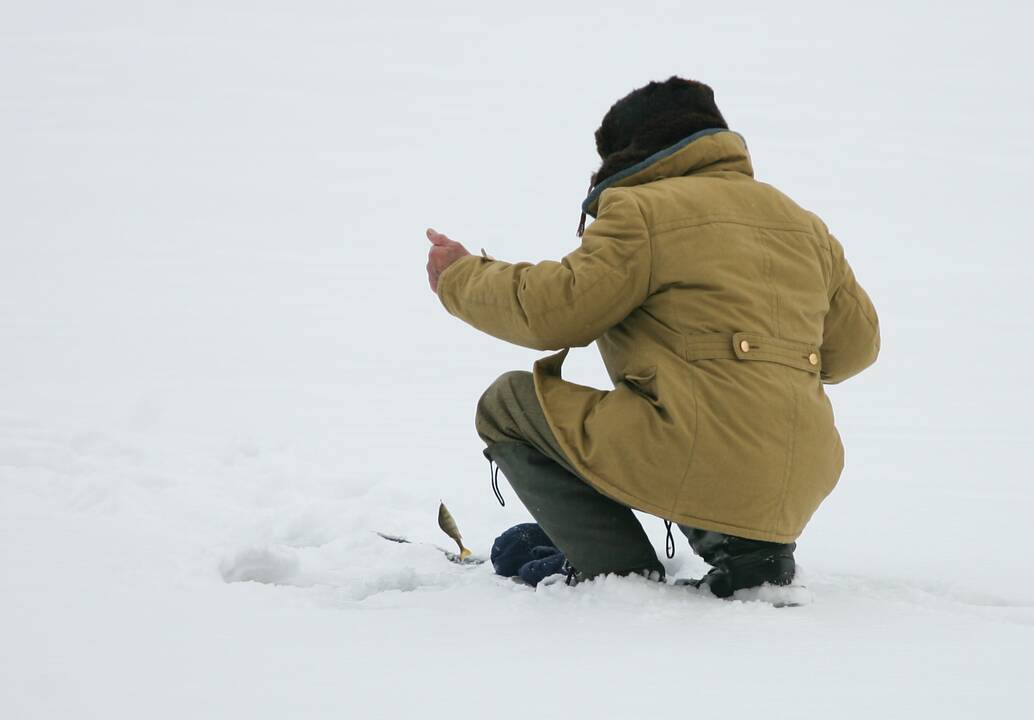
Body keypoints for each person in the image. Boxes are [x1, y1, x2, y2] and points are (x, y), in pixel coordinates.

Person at [424, 76, 880, 595]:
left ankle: (615, 570)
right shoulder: (805, 226)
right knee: (706, 416)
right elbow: (854, 350)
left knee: (507, 404)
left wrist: (460, 275)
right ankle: (751, 551)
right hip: (806, 468)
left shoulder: (643, 210)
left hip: (699, 451)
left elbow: (552, 312)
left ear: (631, 150)